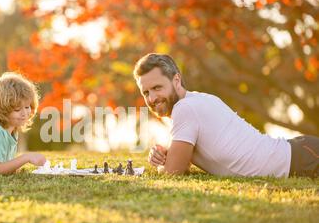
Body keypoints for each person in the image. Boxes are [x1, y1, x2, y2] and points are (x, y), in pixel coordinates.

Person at [134, 53, 318, 178]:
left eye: (157, 88)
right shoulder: (196, 100)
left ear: (176, 80)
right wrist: (167, 153)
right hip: (301, 153)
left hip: (303, 159)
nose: (152, 98)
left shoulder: (185, 108)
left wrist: (161, 165)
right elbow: (184, 158)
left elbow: (173, 172)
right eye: (146, 92)